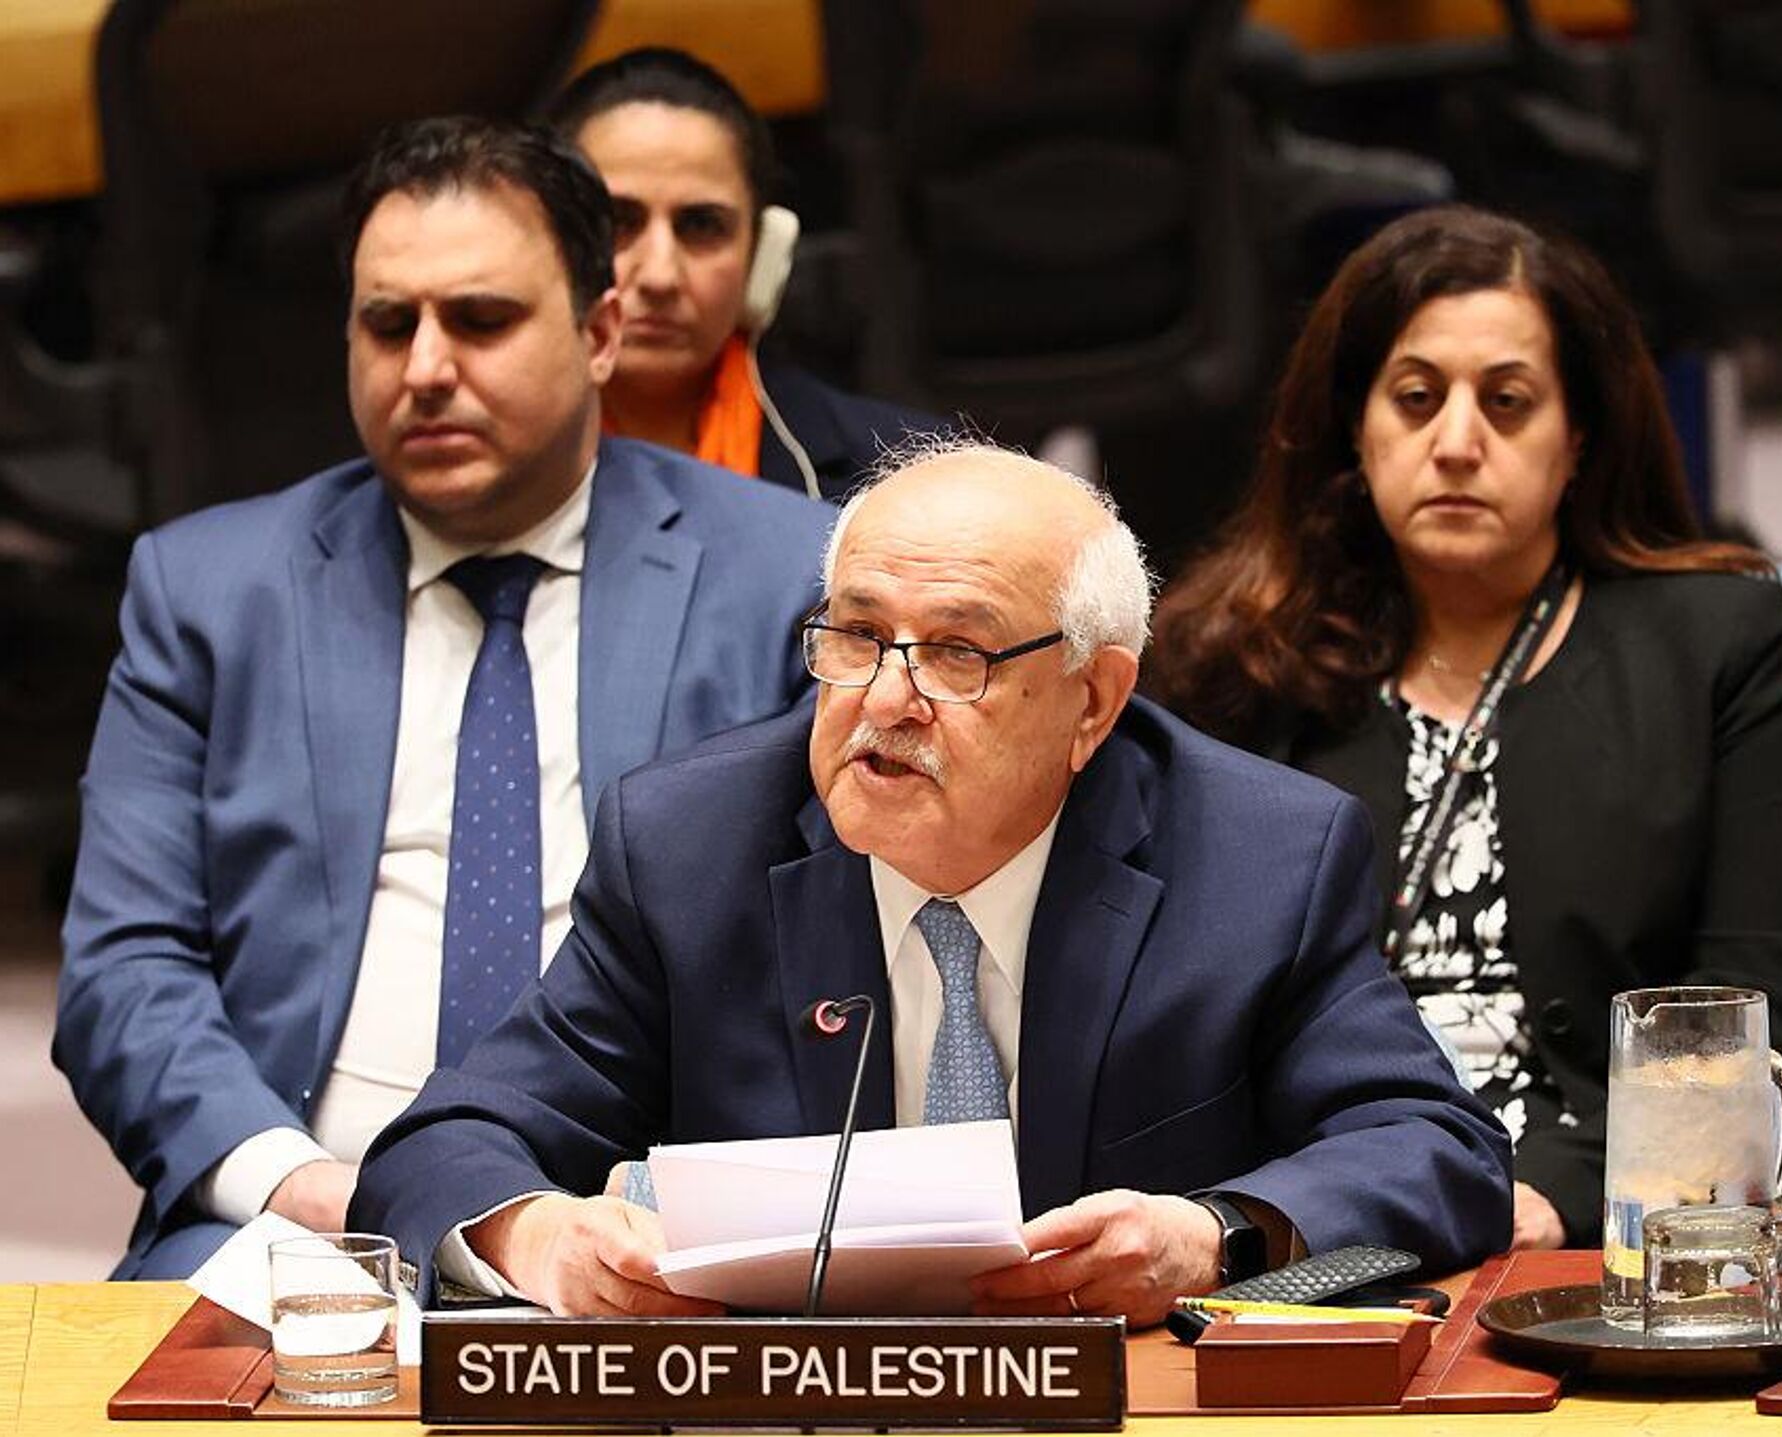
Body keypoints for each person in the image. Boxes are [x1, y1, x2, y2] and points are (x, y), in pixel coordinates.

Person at [349, 441, 1513, 1326]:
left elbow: (1437, 1148)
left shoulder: (1259, 858)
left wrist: (1213, 1237)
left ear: (1094, 702)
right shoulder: (690, 846)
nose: (885, 698)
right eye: (856, 635)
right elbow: (442, 1146)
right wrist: (541, 1240)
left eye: (957, 652)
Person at [55, 117, 836, 1280]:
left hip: (647, 1227)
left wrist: (632, 1214)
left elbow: (844, 963)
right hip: (302, 1225)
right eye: (388, 324)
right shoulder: (210, 593)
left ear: (600, 333)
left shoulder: (785, 579)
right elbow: (124, 968)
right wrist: (303, 1187)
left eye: (480, 320)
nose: (424, 369)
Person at [1152, 205, 1782, 1251]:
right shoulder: (1233, 667)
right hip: (1335, 1226)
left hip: (1649, 1231)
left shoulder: (1717, 646)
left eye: (1508, 402)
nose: (1457, 443)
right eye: (1416, 398)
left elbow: (1760, 1012)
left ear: (1578, 438)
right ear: (1357, 430)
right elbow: (1183, 1018)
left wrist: (1548, 1201)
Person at [550, 47, 936, 501]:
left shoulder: (907, 482)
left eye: (702, 225)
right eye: (615, 222)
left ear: (764, 251)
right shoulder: (480, 469)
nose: (660, 277)